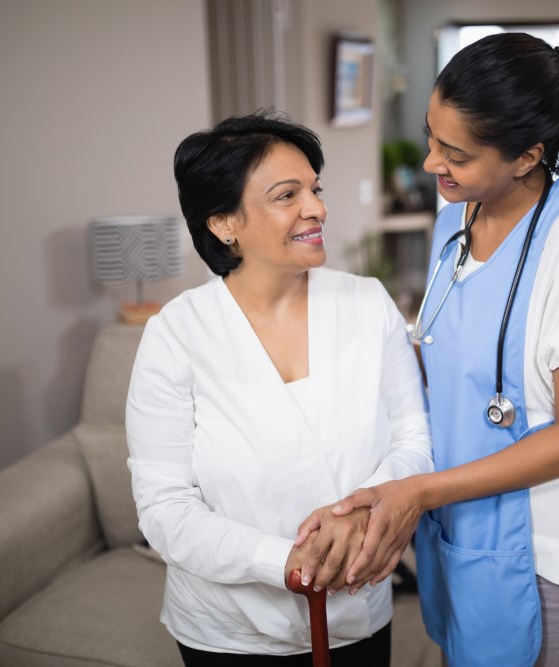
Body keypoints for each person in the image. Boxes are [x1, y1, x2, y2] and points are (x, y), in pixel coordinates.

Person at [296, 33, 559, 666]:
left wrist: (422, 492)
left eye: (455, 153)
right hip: (461, 534)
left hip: (550, 554)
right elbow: (439, 364)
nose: (433, 163)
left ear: (526, 157)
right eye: (432, 138)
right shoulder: (455, 220)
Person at [125, 111, 433, 666]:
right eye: (286, 194)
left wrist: (369, 513)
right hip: (226, 632)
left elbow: (413, 435)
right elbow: (164, 508)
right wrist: (288, 560)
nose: (316, 208)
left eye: (314, 189)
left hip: (356, 612)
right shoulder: (176, 334)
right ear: (224, 222)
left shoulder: (366, 304)